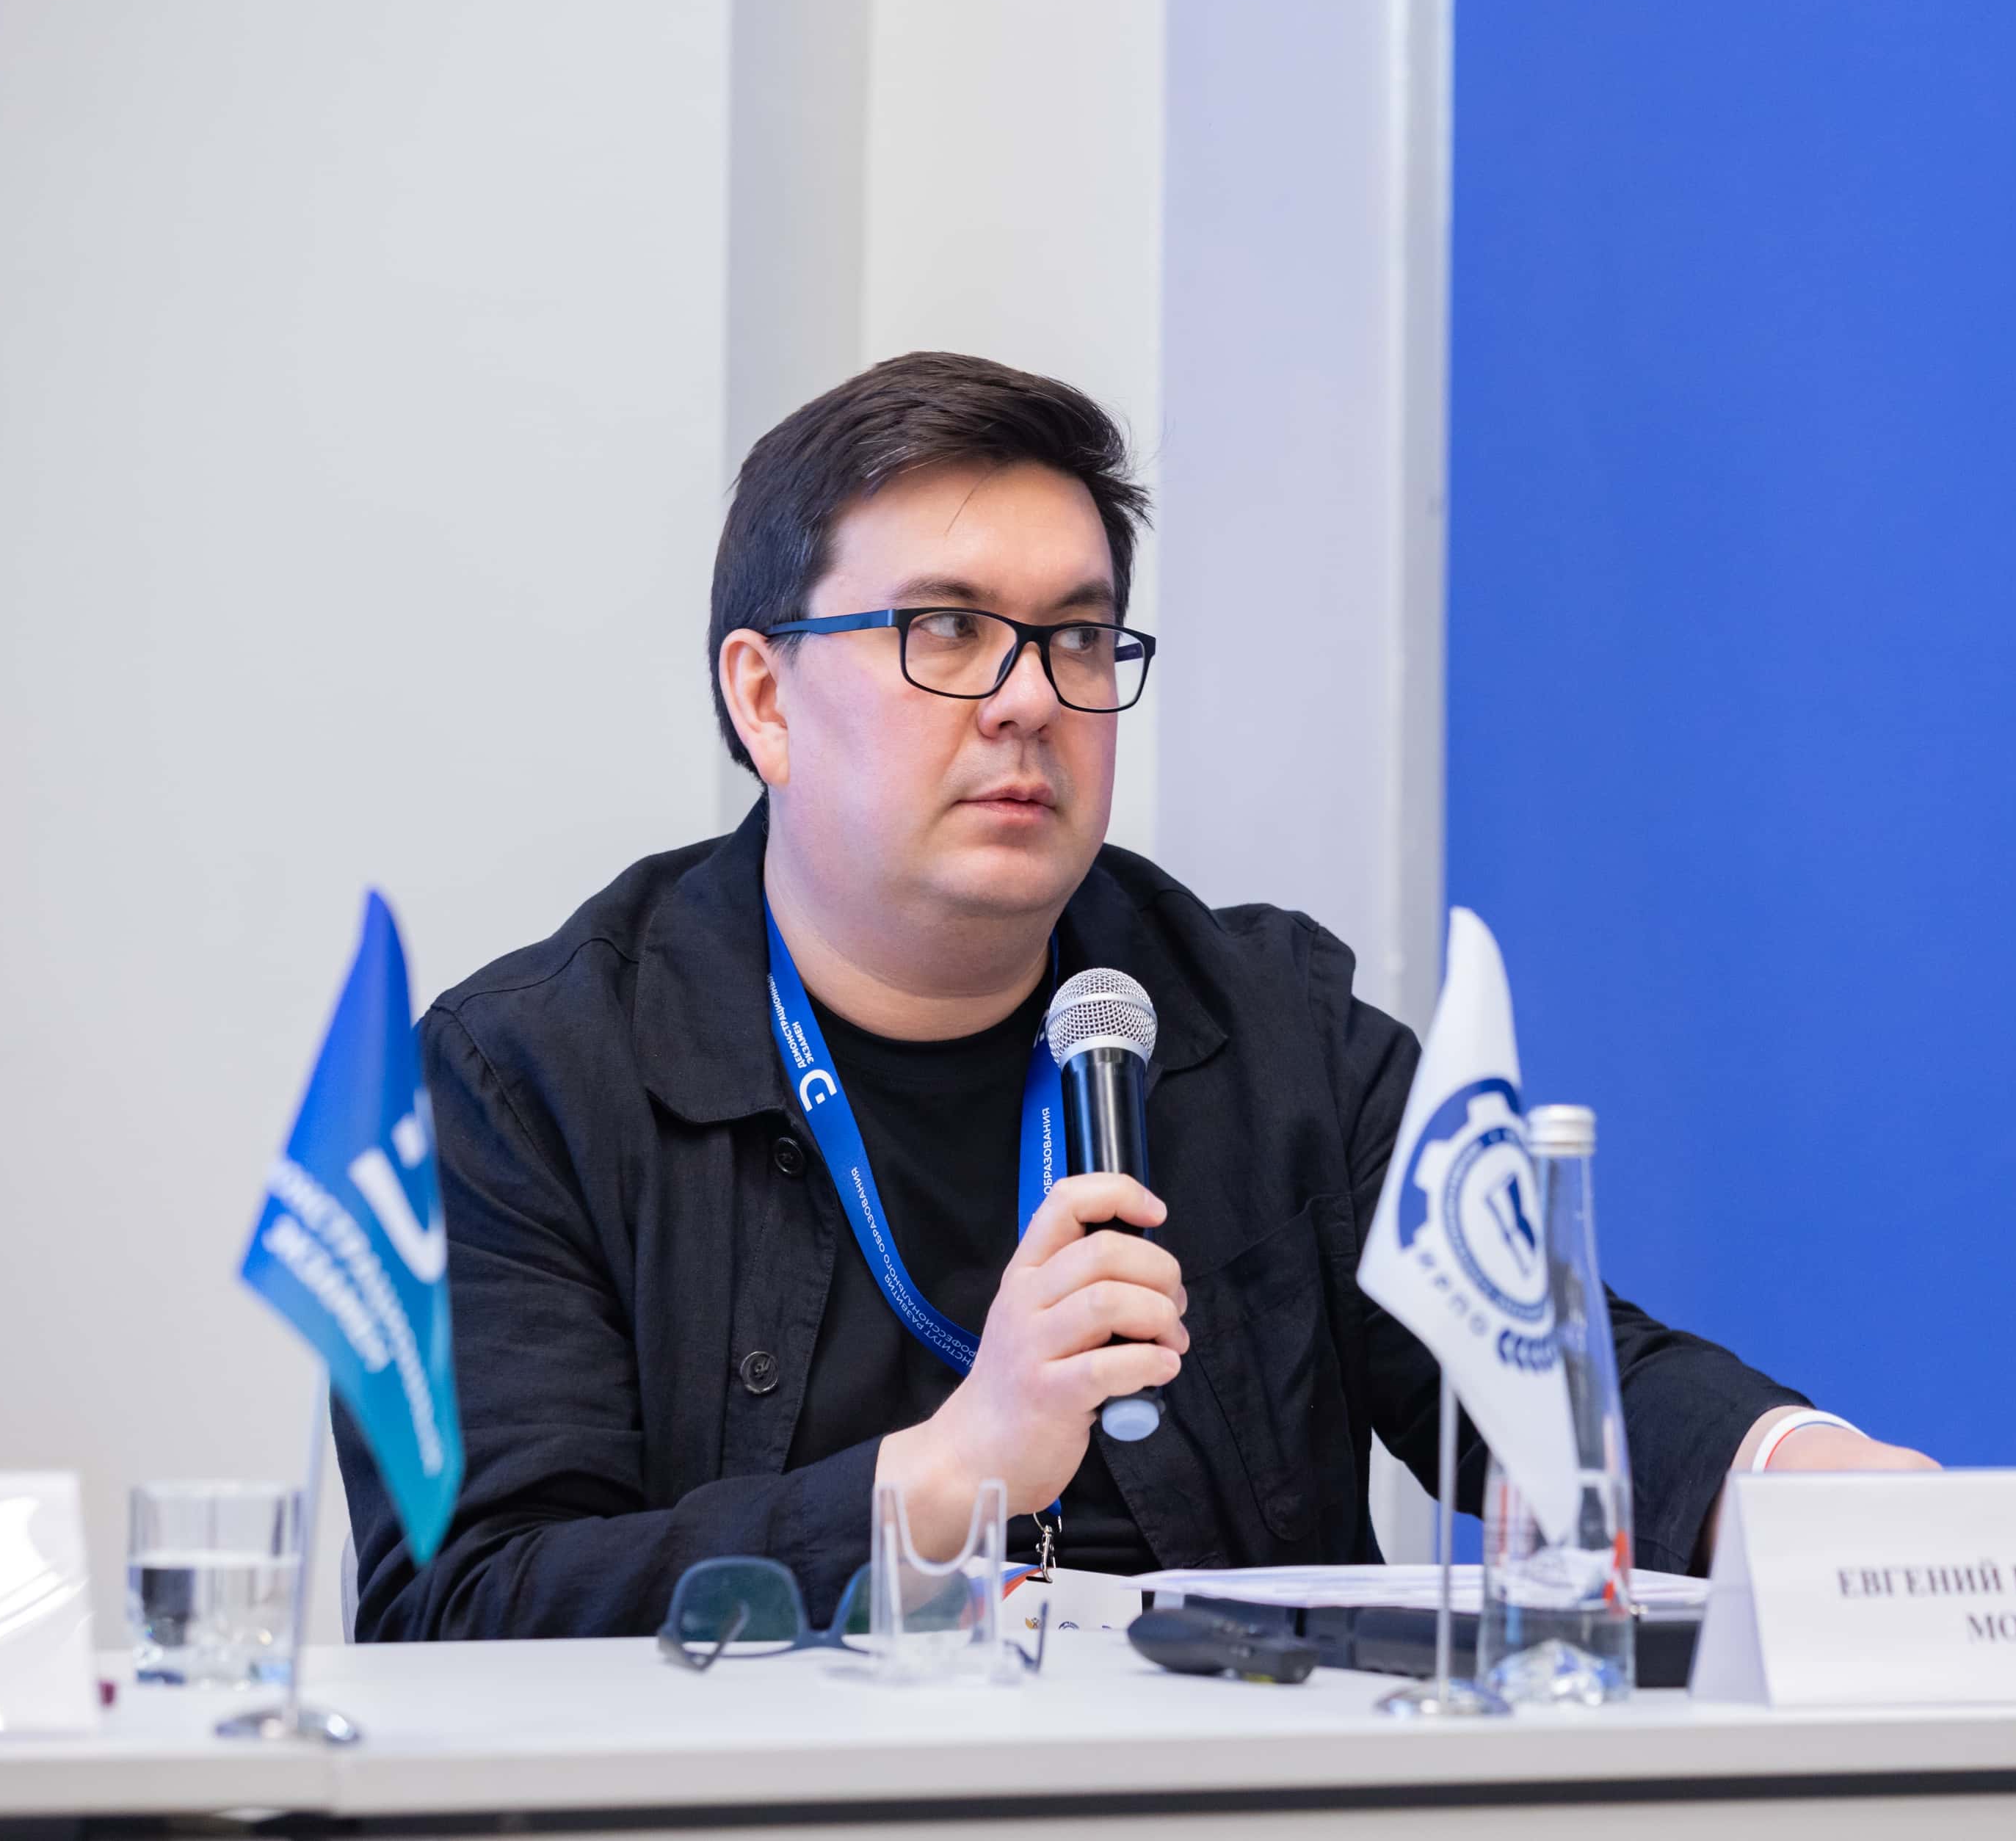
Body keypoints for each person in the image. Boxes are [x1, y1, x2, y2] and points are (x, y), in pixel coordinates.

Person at [341, 352, 1931, 1640]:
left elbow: (1537, 1379)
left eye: (1080, 637)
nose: (1029, 699)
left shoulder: (1266, 1024)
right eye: (948, 630)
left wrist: (1811, 1477)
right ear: (764, 697)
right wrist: (947, 1473)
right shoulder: (526, 1077)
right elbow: (465, 1604)